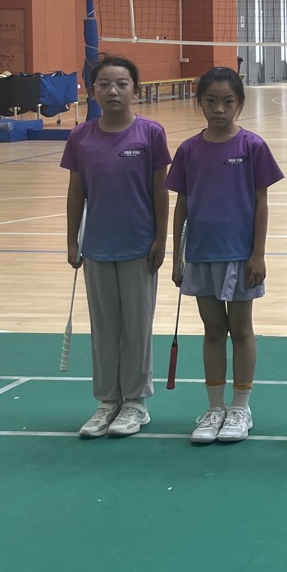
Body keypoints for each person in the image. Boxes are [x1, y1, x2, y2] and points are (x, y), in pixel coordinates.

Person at [167, 67, 283, 446]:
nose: (219, 109)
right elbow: (182, 206)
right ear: (199, 102)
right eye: (211, 101)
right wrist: (178, 255)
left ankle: (240, 407)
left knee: (241, 329)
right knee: (213, 329)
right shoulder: (188, 150)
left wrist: (257, 254)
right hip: (201, 253)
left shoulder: (252, 146)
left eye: (228, 102)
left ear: (240, 104)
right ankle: (215, 407)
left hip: (240, 255)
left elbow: (262, 203)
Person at [61, 55, 170, 439]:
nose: (113, 91)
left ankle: (136, 402)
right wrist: (72, 239)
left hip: (139, 246)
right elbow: (76, 191)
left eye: (122, 84)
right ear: (92, 91)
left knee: (136, 327)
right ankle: (108, 400)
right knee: (104, 329)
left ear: (134, 90)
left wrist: (161, 238)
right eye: (104, 84)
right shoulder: (80, 137)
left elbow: (160, 191)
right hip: (97, 247)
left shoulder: (151, 134)